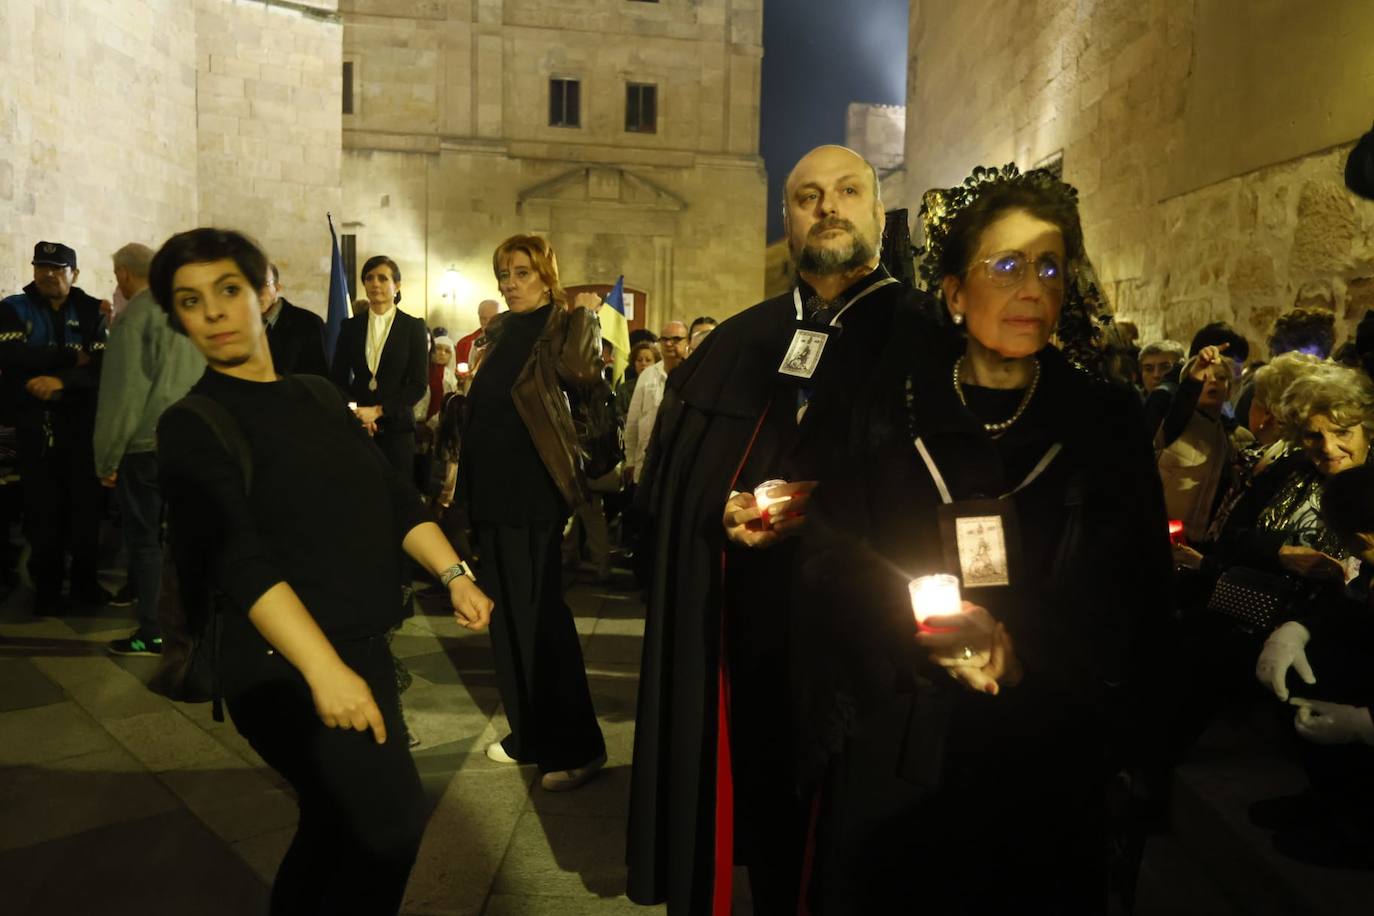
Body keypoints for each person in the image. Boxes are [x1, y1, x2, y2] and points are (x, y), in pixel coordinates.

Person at [787, 163, 1172, 912]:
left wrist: (1023, 652)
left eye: (1049, 266)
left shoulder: (1104, 425)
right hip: (898, 732)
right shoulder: (886, 412)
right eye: (1007, 266)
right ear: (956, 294)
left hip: (1043, 749)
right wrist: (906, 615)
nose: (1032, 287)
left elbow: (1137, 596)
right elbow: (827, 545)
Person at [150, 227, 492, 915]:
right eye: (190, 300)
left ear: (265, 293)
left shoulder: (313, 393)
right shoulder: (193, 424)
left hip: (361, 648)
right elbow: (237, 560)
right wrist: (324, 670)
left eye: (227, 290)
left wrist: (453, 572)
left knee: (337, 826)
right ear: (179, 319)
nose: (213, 312)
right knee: (389, 825)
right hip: (280, 664)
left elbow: (395, 498)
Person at [627, 145, 926, 916]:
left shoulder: (928, 338)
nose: (827, 206)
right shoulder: (739, 340)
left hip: (872, 642)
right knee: (767, 822)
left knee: (862, 846)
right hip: (752, 633)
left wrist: (824, 509)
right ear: (787, 217)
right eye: (807, 196)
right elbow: (669, 491)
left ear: (877, 211)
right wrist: (716, 510)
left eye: (847, 191)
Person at [458, 233, 607, 791]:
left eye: (521, 272)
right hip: (492, 497)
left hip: (534, 494)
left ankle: (579, 747)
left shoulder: (562, 326)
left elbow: (580, 374)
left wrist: (587, 316)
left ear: (546, 274)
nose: (509, 283)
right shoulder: (499, 332)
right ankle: (528, 735)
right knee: (506, 622)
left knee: (542, 621)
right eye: (503, 273)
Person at [93, 242, 205, 655]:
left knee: (144, 542)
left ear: (123, 273)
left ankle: (152, 631)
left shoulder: (134, 317)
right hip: (188, 442)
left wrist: (106, 458)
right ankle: (190, 625)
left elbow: (122, 396)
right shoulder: (185, 311)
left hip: (144, 445)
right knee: (184, 539)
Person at [0, 241, 110, 613]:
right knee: (42, 511)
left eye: (57, 268)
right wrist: (67, 357)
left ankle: (84, 587)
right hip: (33, 424)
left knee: (84, 510)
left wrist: (60, 382)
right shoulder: (13, 308)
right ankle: (46, 591)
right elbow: (11, 356)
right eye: (41, 267)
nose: (47, 274)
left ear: (74, 274)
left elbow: (102, 366)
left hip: (81, 425)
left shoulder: (93, 309)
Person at [330, 256, 429, 475]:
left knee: (397, 498)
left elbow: (418, 384)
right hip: (358, 428)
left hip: (398, 429)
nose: (375, 283)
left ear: (397, 286)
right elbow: (337, 380)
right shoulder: (350, 327)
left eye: (383, 278)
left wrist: (378, 411)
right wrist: (356, 413)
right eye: (369, 278)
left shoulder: (413, 327)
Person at [1155, 345, 1240, 543]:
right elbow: (1182, 402)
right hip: (1158, 533)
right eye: (1205, 376)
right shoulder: (1179, 421)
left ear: (1229, 391)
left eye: (1221, 378)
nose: (1212, 381)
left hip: (1196, 540)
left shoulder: (1229, 437)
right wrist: (1195, 374)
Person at [623, 318, 687, 485]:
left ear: (687, 342)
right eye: (664, 339)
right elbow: (633, 420)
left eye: (676, 339)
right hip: (646, 460)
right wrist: (630, 460)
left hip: (677, 463)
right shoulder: (648, 375)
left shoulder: (693, 375)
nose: (669, 344)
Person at [262, 263, 329, 376]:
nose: (255, 291)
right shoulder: (242, 324)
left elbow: (319, 379)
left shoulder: (308, 323)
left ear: (277, 287)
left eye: (263, 284)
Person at [454, 298, 500, 367]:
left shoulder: (508, 341)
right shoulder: (463, 343)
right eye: (483, 318)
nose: (487, 322)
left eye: (492, 318)